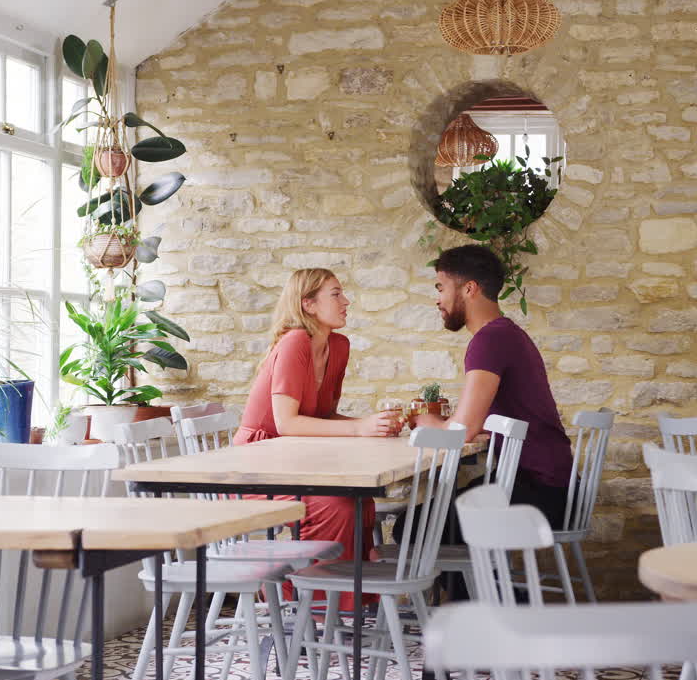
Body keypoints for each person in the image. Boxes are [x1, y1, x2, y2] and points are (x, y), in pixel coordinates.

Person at [234, 267, 401, 609]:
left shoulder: (338, 346)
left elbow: (322, 418)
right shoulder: (295, 341)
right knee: (337, 506)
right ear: (308, 304)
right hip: (258, 461)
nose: (346, 301)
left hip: (296, 459)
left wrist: (372, 424)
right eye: (336, 294)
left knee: (359, 500)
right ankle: (308, 603)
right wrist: (358, 429)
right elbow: (286, 423)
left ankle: (341, 600)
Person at [409, 245, 575, 528]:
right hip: (553, 486)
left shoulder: (489, 341)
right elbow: (477, 420)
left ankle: (481, 574)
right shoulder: (506, 333)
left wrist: (424, 421)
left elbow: (462, 433)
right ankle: (483, 573)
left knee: (412, 527)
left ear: (469, 289)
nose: (438, 300)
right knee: (434, 515)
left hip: (541, 493)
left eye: (441, 288)